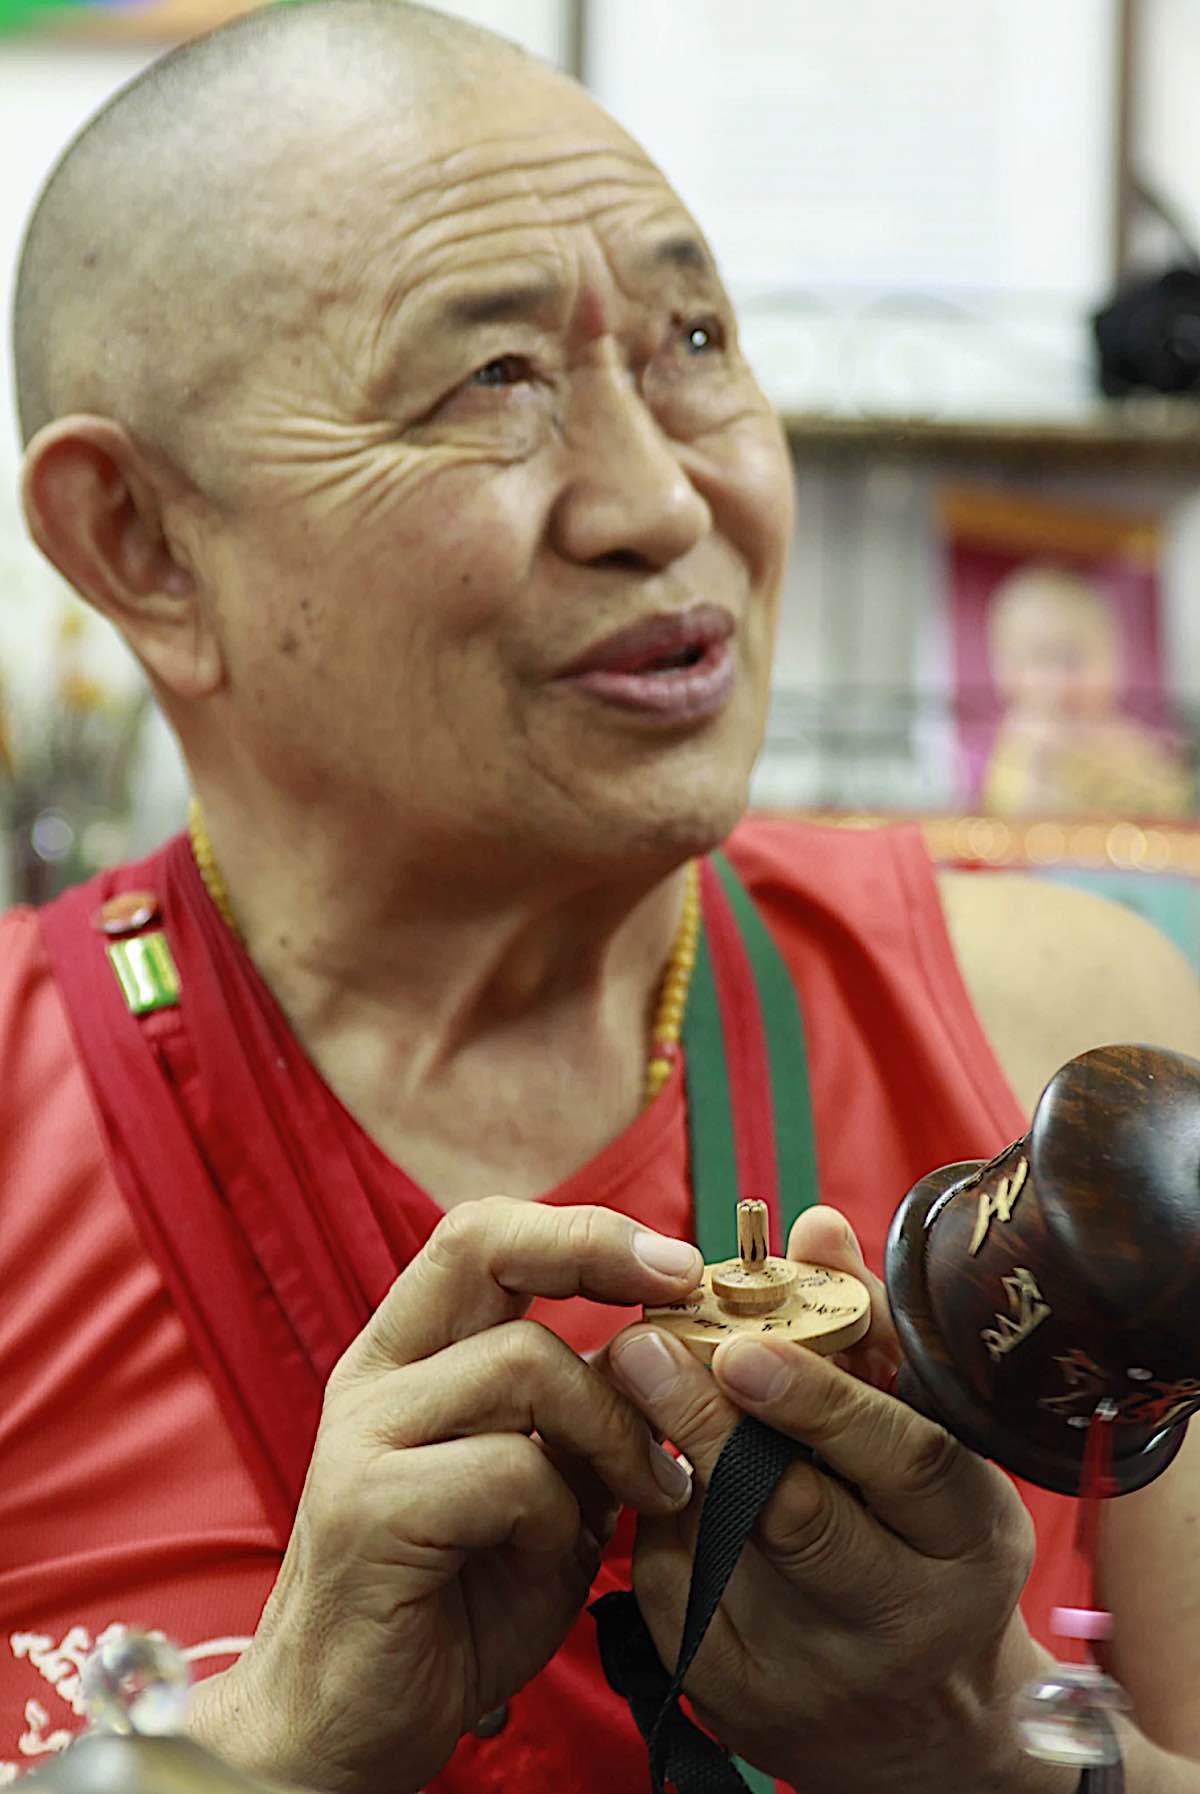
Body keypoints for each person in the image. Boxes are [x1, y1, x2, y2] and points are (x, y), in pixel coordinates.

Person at [4, 4, 1200, 1791]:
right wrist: (262, 1753)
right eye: (488, 380)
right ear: (141, 544)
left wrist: (979, 1752)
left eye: (697, 340)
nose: (664, 496)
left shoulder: (1076, 1066)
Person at [981, 564, 1192, 819]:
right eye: (1039, 660)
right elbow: (1013, 821)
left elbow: (1176, 806)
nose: (1060, 681)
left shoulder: (1128, 740)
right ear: (1006, 676)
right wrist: (1042, 761)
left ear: (1116, 663)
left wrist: (1137, 767)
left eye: (1075, 661)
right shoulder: (1020, 745)